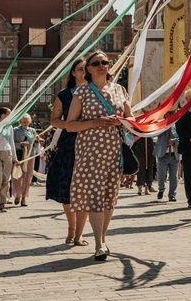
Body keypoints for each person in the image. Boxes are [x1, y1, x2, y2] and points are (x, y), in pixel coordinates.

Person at [65, 50, 132, 261]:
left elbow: (131, 119)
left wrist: (120, 121)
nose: (101, 65)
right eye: (96, 63)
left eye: (105, 62)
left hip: (113, 152)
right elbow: (69, 125)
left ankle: (102, 238)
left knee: (109, 198)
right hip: (90, 153)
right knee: (95, 196)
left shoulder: (120, 90)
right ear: (88, 70)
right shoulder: (82, 93)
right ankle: (98, 244)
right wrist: (95, 123)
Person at [47, 57, 89, 246]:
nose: (83, 72)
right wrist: (71, 125)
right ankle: (71, 229)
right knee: (67, 188)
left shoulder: (95, 93)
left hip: (91, 144)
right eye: (79, 69)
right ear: (73, 73)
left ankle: (79, 234)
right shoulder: (64, 95)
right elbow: (54, 120)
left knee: (85, 190)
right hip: (70, 144)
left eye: (85, 69)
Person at [0, 107, 16, 213]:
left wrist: (15, 158)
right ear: (2, 115)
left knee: (6, 179)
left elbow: (12, 142)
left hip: (8, 153)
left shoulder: (9, 127)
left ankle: (2, 203)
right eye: (8, 114)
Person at [11, 114, 37, 207]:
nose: (26, 123)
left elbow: (34, 143)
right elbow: (12, 144)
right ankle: (17, 195)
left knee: (27, 177)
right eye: (24, 121)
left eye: (27, 121)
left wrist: (37, 140)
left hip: (30, 156)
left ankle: (24, 198)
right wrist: (21, 144)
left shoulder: (33, 131)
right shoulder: (15, 131)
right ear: (20, 122)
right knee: (17, 176)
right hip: (19, 156)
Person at [153, 119, 181, 202]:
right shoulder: (161, 124)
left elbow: (183, 137)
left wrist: (174, 141)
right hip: (162, 155)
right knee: (161, 175)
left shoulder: (177, 124)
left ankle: (172, 194)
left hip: (174, 155)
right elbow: (155, 134)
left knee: (173, 177)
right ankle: (161, 189)